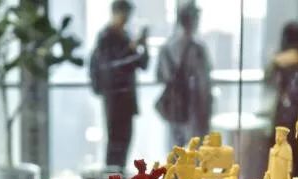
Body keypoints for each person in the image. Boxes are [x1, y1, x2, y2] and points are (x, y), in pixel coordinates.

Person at [90, 0, 149, 168]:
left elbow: (142, 64)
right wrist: (131, 48)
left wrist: (143, 46)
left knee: (125, 140)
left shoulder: (126, 35)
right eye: (124, 14)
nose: (126, 19)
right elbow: (111, 66)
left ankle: (119, 178)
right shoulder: (106, 36)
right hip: (114, 97)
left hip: (127, 97)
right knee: (115, 141)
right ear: (114, 13)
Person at [157, 1, 212, 148]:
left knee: (175, 150)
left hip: (175, 105)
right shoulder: (197, 48)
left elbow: (161, 76)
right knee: (196, 150)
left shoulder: (166, 47)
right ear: (193, 21)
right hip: (194, 107)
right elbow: (203, 83)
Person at [265, 22, 298, 179]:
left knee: (283, 161)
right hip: (296, 114)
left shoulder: (284, 61)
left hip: (289, 114)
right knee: (292, 162)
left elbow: (269, 81)